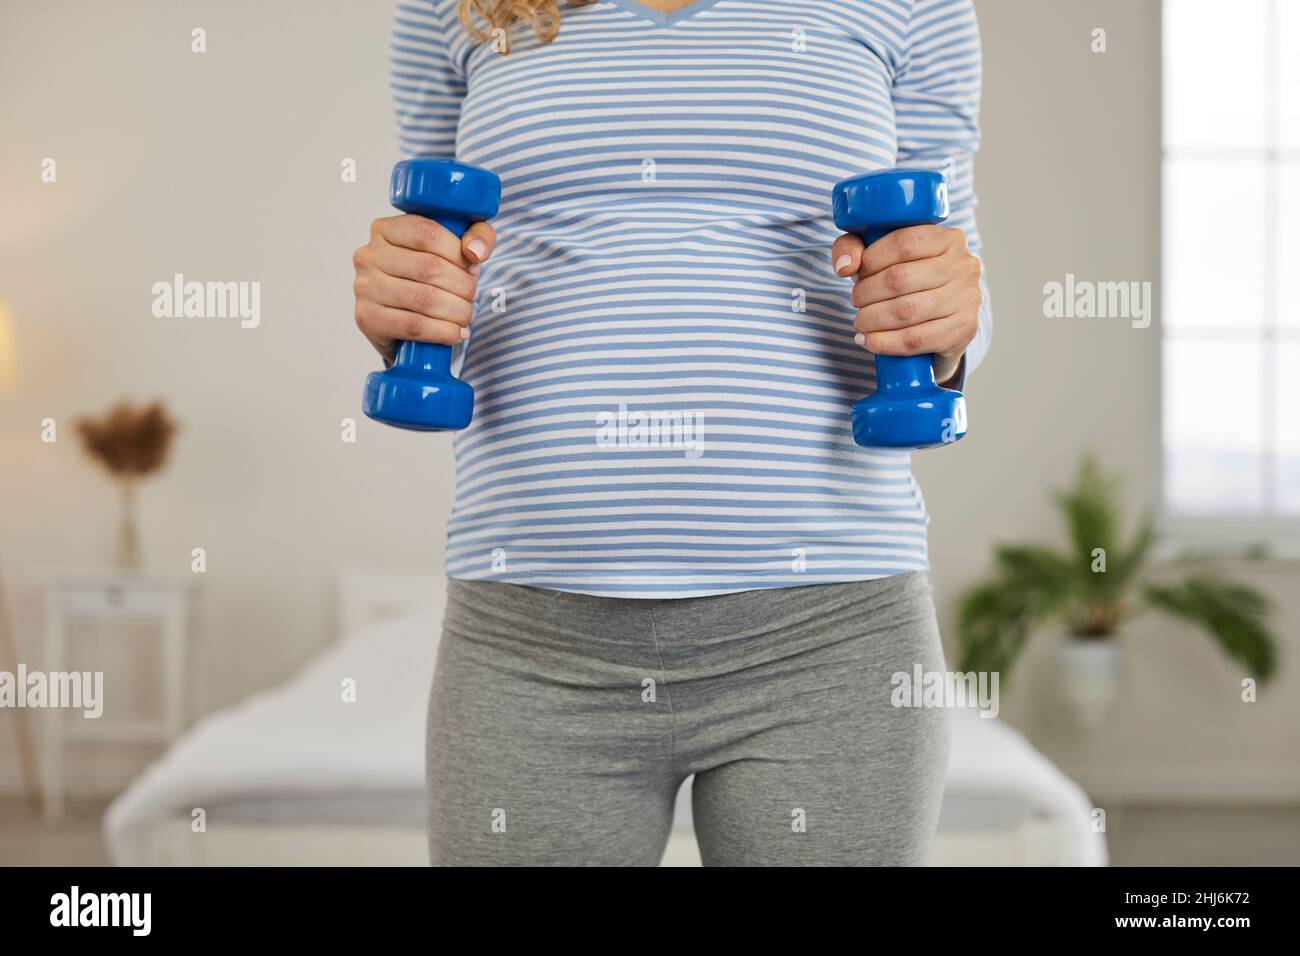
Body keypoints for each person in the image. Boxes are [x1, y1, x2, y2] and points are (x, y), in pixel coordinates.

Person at [352, 0, 991, 866]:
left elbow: (952, 281)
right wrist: (403, 304)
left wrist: (947, 320)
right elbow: (439, 259)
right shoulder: (451, 6)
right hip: (530, 644)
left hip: (830, 635)